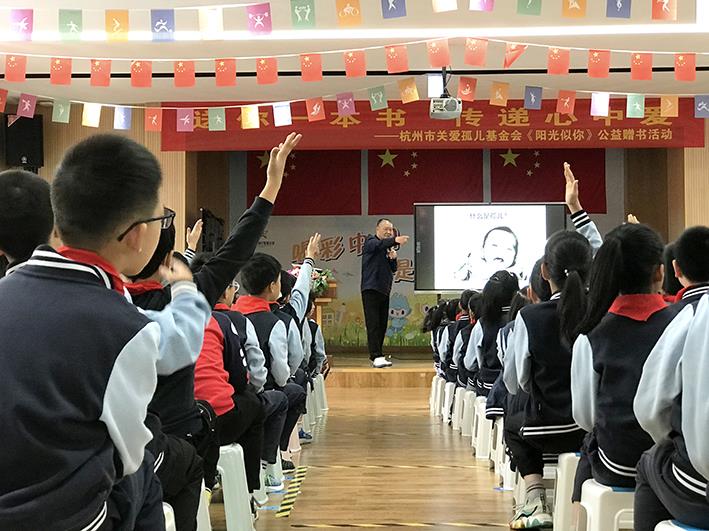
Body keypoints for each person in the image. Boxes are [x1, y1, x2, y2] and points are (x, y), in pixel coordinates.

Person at [0, 134, 210, 530]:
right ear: (136, 234)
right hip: (68, 517)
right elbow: (128, 450)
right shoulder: (124, 327)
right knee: (143, 467)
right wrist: (185, 288)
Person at [571, 224, 675, 500]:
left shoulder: (591, 336)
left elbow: (584, 417)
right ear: (660, 272)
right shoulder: (684, 324)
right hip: (674, 462)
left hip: (618, 463)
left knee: (588, 446)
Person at [504, 230, 593, 529]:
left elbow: (516, 381)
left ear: (544, 271)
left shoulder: (530, 316)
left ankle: (535, 497)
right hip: (592, 431)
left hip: (544, 430)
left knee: (512, 422)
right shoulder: (600, 311)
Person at [630, 226, 709, 530]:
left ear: (674, 269)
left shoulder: (689, 316)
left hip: (699, 488)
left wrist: (673, 440)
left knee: (650, 463)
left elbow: (650, 409)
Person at [233, 253, 307, 487]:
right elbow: (282, 371)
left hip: (229, 394)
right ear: (272, 286)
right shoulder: (275, 321)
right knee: (292, 394)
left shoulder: (231, 315)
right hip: (257, 394)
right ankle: (271, 458)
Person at [361, 218, 410, 368]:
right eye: (386, 229)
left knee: (382, 324)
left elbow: (393, 269)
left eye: (391, 230)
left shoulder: (387, 248)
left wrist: (393, 259)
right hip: (371, 289)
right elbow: (379, 245)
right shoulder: (371, 241)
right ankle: (375, 355)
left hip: (384, 290)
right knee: (373, 324)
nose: (389, 232)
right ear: (377, 229)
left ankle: (379, 355)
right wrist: (395, 240)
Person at [464, 270, 519, 397]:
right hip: (518, 392)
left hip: (489, 389)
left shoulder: (482, 324)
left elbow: (470, 363)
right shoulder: (522, 320)